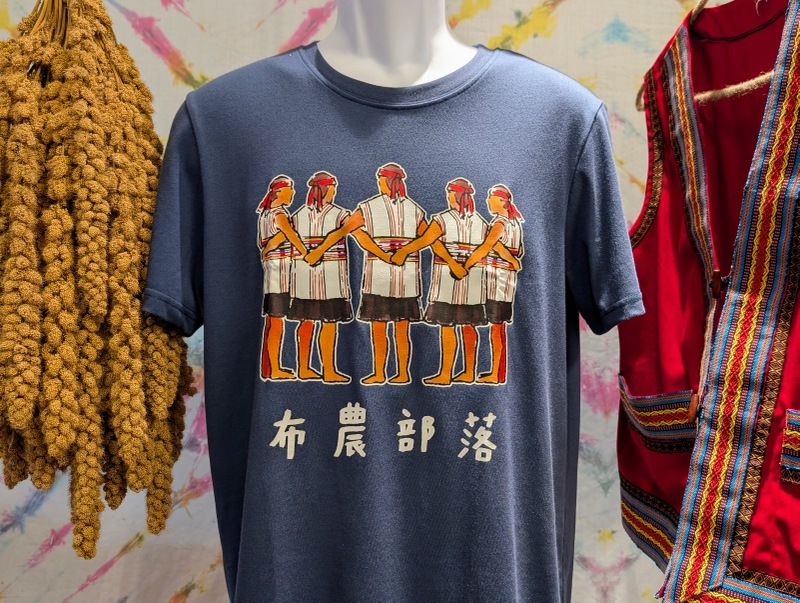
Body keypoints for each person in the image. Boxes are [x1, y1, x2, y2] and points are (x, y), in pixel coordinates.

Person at [307, 163, 425, 385]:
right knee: (387, 327)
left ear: (386, 181)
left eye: (381, 179)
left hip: (398, 277)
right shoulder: (376, 207)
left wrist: (319, 251)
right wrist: (390, 253)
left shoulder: (406, 209)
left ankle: (397, 373)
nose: (379, 183)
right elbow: (350, 231)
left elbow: (428, 236)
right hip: (386, 276)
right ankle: (386, 372)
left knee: (394, 327)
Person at [392, 178, 487, 385]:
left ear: (456, 195)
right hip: (472, 278)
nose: (448, 197)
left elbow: (426, 240)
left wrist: (404, 251)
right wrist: (466, 265)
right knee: (468, 325)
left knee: (448, 326)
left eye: (450, 193)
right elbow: (484, 249)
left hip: (448, 279)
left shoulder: (443, 219)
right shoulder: (480, 221)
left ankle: (446, 374)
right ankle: (469, 372)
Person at [287, 171, 352, 383]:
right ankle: (311, 368)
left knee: (320, 323)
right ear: (325, 189)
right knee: (315, 323)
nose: (334, 192)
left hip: (323, 276)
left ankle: (321, 369)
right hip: (313, 276)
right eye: (332, 188)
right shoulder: (336, 215)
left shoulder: (300, 215)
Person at [463, 184, 524, 384]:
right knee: (499, 328)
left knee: (496, 328)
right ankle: (498, 372)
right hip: (506, 280)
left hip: (497, 282)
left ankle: (496, 373)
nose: (488, 201)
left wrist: (466, 265)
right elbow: (514, 250)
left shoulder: (500, 223)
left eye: (491, 198)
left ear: (502, 202)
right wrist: (511, 259)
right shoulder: (514, 223)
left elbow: (486, 246)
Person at [257, 175, 307, 381]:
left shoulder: (266, 215)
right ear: (279, 193)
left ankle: (270, 367)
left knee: (273, 322)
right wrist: (307, 253)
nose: (293, 193)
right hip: (281, 271)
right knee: (277, 321)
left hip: (274, 270)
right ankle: (274, 367)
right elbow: (291, 236)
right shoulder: (279, 214)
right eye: (289, 190)